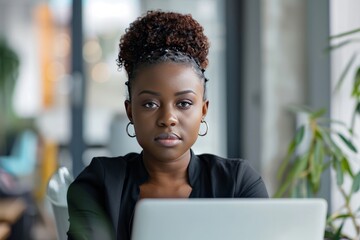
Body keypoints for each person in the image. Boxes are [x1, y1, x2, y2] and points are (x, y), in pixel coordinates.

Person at [67, 10, 268, 240]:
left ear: (203, 110)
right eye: (150, 104)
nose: (168, 118)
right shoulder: (100, 184)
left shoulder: (237, 184)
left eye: (183, 103)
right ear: (130, 111)